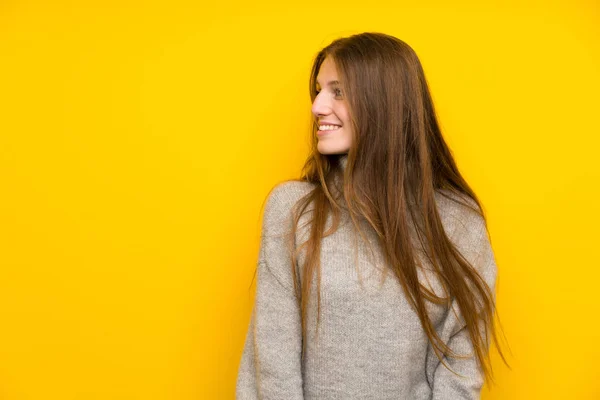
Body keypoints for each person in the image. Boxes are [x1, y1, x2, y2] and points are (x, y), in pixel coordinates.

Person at [236, 32, 509, 399]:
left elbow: (461, 367)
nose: (317, 106)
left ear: (384, 104)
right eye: (318, 90)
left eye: (338, 91)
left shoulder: (457, 223)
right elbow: (272, 364)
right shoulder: (292, 211)